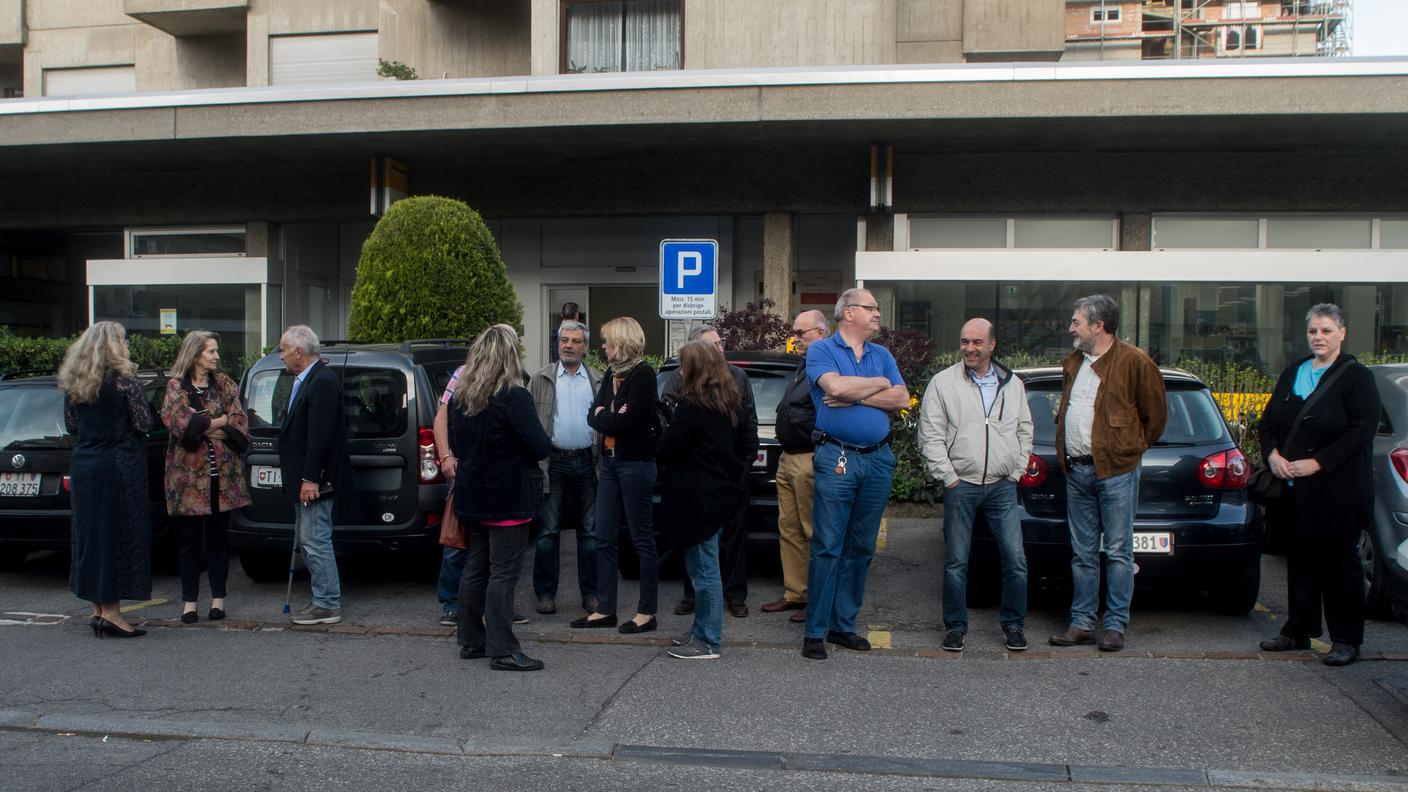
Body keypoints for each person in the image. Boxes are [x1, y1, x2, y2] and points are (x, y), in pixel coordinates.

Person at [1257, 303, 1380, 667]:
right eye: (1313, 331)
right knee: (1301, 563)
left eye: (1326, 330)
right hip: (1294, 491)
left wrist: (1318, 462)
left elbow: (1362, 430)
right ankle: (1298, 631)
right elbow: (1267, 424)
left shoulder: (1357, 378)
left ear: (1342, 333)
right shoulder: (1294, 371)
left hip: (1337, 490)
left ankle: (1346, 639)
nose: (1319, 337)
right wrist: (1273, 457)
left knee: (1340, 566)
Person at [1049, 295, 1166, 653]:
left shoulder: (1134, 362)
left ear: (1098, 326)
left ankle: (1115, 625)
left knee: (1117, 551)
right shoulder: (1075, 362)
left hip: (1116, 471)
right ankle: (1082, 624)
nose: (1071, 327)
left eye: (1077, 321)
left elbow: (1155, 417)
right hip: (1078, 470)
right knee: (1082, 552)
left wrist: (1128, 448)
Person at [802, 288, 909, 660]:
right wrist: (880, 384)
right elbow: (833, 388)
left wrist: (860, 393)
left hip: (878, 460)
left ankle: (842, 626)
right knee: (828, 546)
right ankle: (815, 631)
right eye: (871, 308)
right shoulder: (821, 350)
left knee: (861, 548)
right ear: (849, 313)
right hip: (838, 456)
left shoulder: (882, 354)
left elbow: (901, 399)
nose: (878, 313)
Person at [917, 318, 1033, 652]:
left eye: (977, 342)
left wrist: (1016, 470)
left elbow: (1025, 429)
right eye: (965, 341)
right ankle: (955, 626)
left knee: (1016, 560)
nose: (969, 348)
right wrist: (949, 477)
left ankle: (1014, 625)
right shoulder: (943, 383)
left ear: (992, 345)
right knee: (956, 562)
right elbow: (930, 434)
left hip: (1002, 485)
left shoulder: (1012, 384)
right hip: (961, 485)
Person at [447, 324, 551, 672]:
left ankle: (471, 639)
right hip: (507, 496)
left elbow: (459, 446)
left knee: (476, 568)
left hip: (473, 495)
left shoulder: (462, 396)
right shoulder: (514, 396)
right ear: (509, 357)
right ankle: (503, 648)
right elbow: (538, 445)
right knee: (504, 574)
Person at [657, 340, 759, 659]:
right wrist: (736, 474)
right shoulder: (730, 401)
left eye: (684, 364)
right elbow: (749, 443)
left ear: (696, 369)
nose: (681, 370)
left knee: (704, 571)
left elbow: (665, 449)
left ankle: (709, 640)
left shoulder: (692, 405)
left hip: (697, 498)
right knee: (705, 566)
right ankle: (700, 631)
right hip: (720, 494)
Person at [58, 321, 154, 639]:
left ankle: (98, 609)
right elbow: (143, 422)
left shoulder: (76, 381)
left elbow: (72, 426)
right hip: (118, 465)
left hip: (85, 464)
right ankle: (112, 613)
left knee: (90, 536)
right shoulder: (124, 380)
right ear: (115, 345)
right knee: (116, 535)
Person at [572, 317, 659, 634]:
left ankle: (647, 612)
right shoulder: (611, 373)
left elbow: (622, 423)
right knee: (603, 535)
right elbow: (593, 414)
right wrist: (607, 414)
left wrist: (605, 415)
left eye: (607, 341)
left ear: (621, 343)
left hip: (635, 464)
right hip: (609, 464)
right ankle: (605, 608)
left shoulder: (643, 374)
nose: (603, 347)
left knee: (641, 538)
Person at [159, 330, 251, 624]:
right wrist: (217, 421)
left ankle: (218, 600)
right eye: (211, 351)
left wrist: (206, 426)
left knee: (217, 541)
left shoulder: (225, 384)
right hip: (187, 482)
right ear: (196, 353)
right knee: (189, 543)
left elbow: (239, 424)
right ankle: (189, 603)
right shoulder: (176, 387)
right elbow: (180, 425)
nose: (217, 356)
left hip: (221, 479)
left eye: (216, 351)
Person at [278, 325, 354, 626]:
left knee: (314, 539)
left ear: (299, 351)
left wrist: (311, 478)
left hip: (314, 479)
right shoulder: (308, 379)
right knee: (309, 539)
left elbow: (320, 436)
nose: (281, 355)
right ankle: (322, 599)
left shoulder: (321, 381)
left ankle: (327, 603)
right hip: (302, 477)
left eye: (284, 349)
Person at [528, 319, 602, 615]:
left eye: (575, 341)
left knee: (590, 533)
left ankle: (592, 595)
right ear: (557, 343)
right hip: (553, 461)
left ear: (585, 347)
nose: (569, 345)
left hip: (587, 461)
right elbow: (530, 422)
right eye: (564, 340)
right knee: (547, 533)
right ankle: (545, 594)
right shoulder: (542, 378)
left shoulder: (597, 379)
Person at [760, 310, 828, 624]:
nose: (796, 339)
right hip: (789, 457)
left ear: (821, 333)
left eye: (801, 333)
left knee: (812, 529)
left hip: (808, 457)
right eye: (795, 334)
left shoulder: (826, 364)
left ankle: (817, 598)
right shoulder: (805, 364)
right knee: (788, 528)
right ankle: (795, 592)